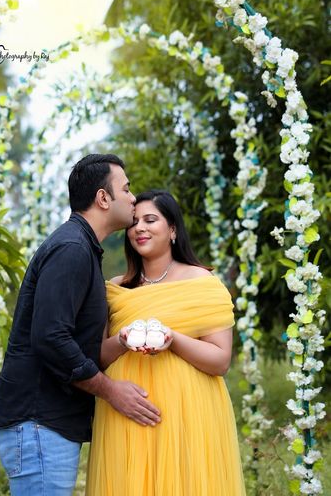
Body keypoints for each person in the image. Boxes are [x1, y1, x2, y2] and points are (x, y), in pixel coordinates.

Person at [0, 155, 161, 496]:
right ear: (102, 198)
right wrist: (112, 391)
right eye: (125, 189)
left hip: (45, 425)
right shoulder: (71, 248)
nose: (131, 197)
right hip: (38, 422)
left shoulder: (81, 247)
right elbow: (50, 337)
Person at [86, 190, 246, 495]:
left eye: (150, 220)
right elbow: (100, 358)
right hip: (126, 410)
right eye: (134, 222)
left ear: (172, 229)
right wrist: (122, 339)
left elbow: (220, 360)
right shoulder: (115, 289)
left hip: (188, 414)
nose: (139, 228)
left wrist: (172, 339)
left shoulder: (202, 283)